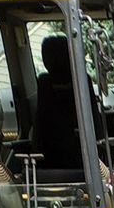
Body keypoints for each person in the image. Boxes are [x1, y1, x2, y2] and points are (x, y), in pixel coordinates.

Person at [31, 32, 82, 170]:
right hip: (82, 163)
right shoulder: (83, 82)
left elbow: (38, 136)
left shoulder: (44, 84)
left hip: (46, 165)